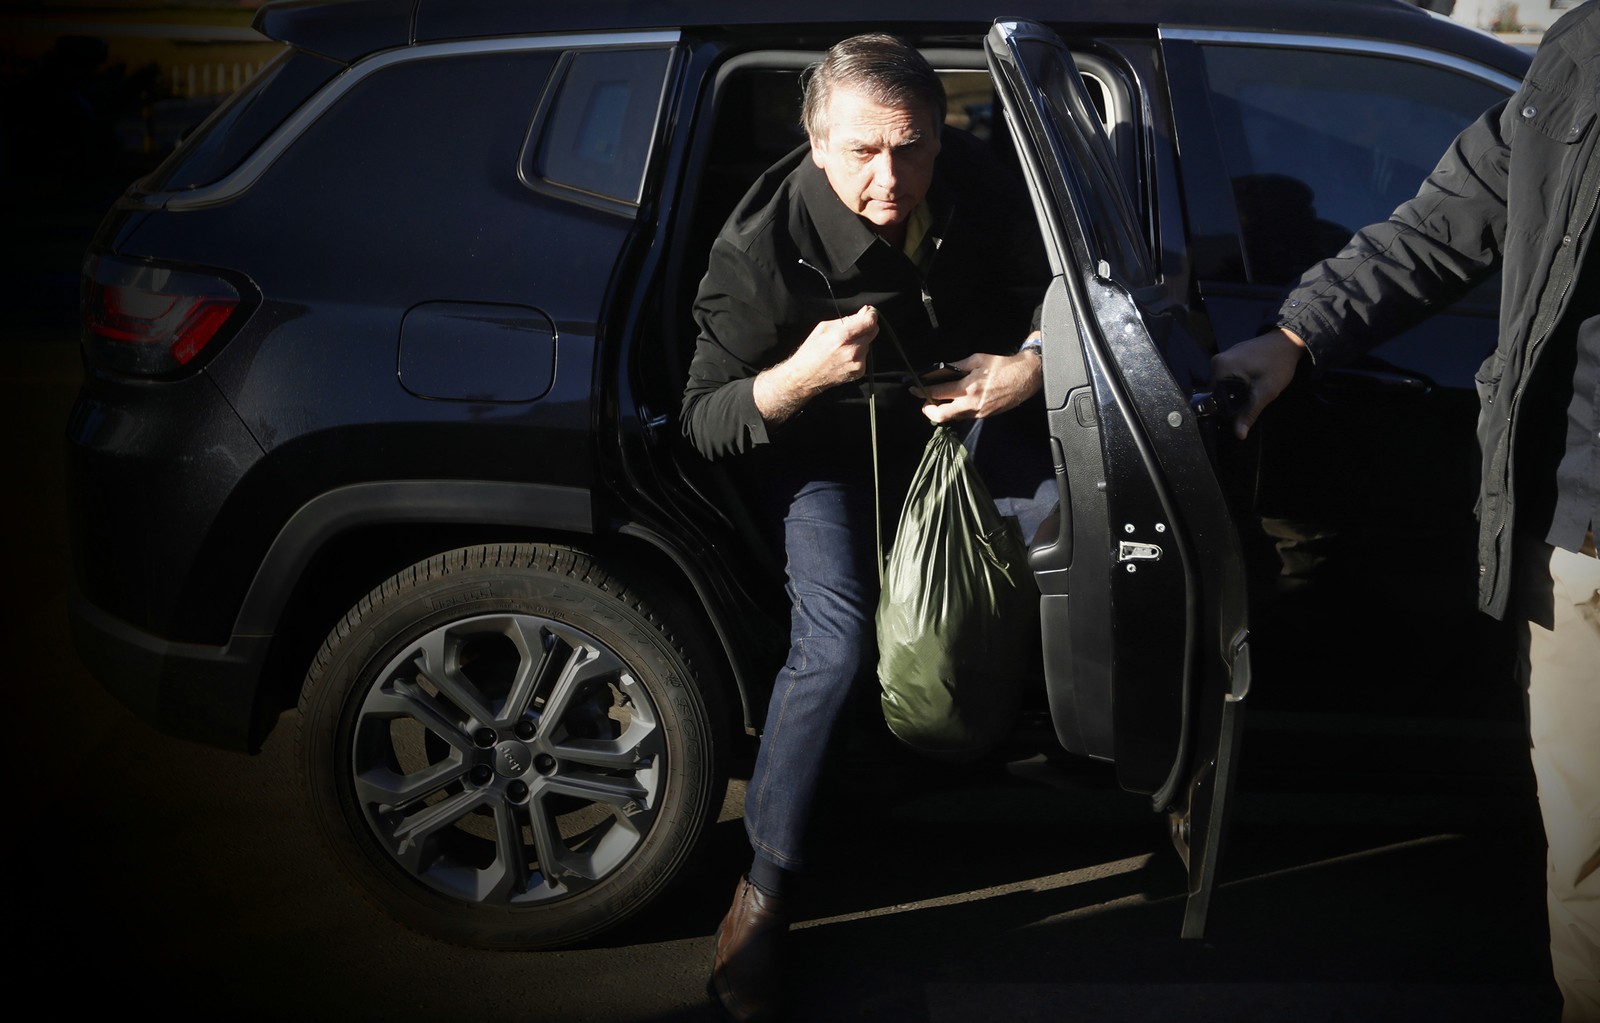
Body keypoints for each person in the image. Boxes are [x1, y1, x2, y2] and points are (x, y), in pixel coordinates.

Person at [1211, 4, 1599, 1019]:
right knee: (1588, 866)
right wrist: (1293, 336)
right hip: (1586, 540)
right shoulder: (1583, 49)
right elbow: (1449, 217)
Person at [680, 33, 1049, 1022]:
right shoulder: (756, 250)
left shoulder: (973, 178)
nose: (892, 180)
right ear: (813, 142)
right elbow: (702, 419)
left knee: (1084, 545)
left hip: (959, 422)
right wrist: (800, 375)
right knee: (835, 644)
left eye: (913, 148)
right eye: (861, 153)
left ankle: (1123, 767)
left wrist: (1028, 370)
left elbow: (1070, 289)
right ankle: (761, 888)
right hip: (819, 452)